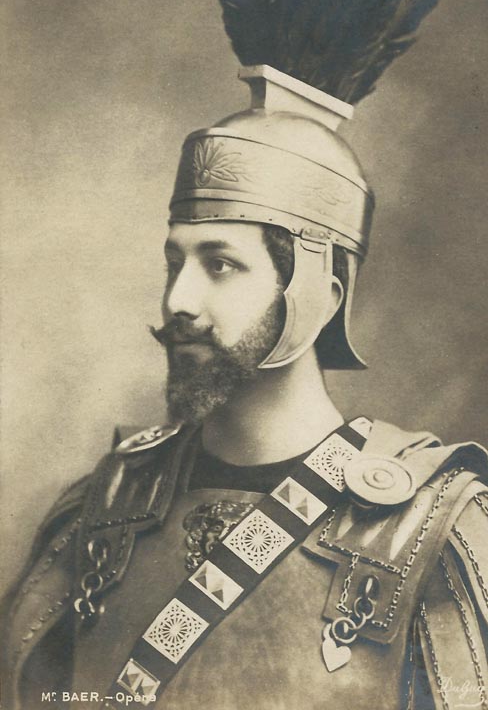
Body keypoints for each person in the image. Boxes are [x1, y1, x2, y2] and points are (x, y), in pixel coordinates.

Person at [1, 62, 487, 710]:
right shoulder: (102, 508)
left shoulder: (431, 532)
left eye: (221, 264)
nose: (178, 300)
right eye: (174, 261)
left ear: (317, 298)